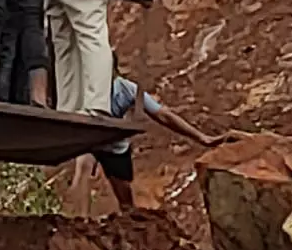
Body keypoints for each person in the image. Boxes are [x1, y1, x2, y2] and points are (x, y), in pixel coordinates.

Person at [69, 54, 229, 216]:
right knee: (83, 168)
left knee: (124, 195)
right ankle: (78, 223)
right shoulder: (81, 89)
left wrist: (202, 138)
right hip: (90, 139)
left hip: (115, 145)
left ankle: (129, 222)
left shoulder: (127, 90)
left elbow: (163, 115)